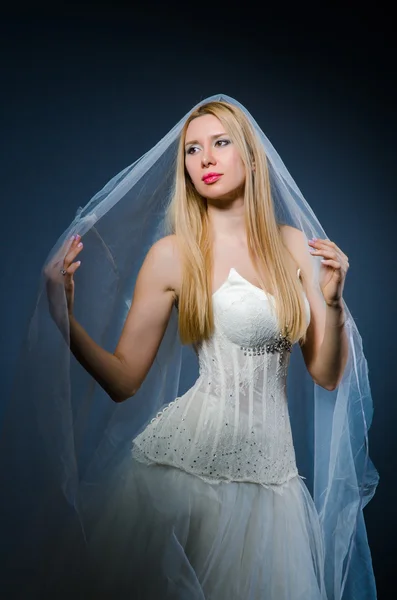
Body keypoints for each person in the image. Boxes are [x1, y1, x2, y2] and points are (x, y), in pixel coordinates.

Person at [0, 95, 378, 599]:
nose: (205, 159)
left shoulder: (292, 245)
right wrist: (63, 318)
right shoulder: (173, 255)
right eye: (192, 150)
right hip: (185, 473)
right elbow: (123, 380)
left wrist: (330, 305)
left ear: (250, 156)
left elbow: (327, 375)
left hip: (274, 483)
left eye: (220, 143)